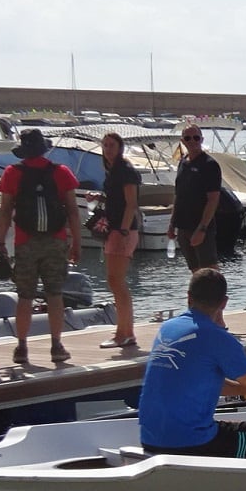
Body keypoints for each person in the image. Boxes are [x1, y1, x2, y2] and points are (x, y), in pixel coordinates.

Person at [138, 268, 246, 461]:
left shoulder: (167, 329)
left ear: (188, 297)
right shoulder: (219, 339)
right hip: (192, 443)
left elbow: (207, 381)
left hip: (150, 439)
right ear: (224, 302)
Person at [0, 127, 81, 364]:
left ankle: (21, 347)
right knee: (54, 294)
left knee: (25, 296)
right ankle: (56, 346)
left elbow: (4, 212)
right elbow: (73, 212)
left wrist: (0, 243)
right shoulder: (61, 172)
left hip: (25, 241)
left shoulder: (12, 172)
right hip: (56, 241)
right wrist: (77, 243)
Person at [98, 131, 141, 349]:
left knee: (117, 281)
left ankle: (124, 333)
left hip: (122, 230)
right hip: (113, 228)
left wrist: (123, 231)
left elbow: (131, 203)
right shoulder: (112, 171)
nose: (108, 149)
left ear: (120, 147)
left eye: (112, 145)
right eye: (105, 145)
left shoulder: (125, 170)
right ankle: (124, 331)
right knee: (114, 281)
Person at [168, 122, 223, 270]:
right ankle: (201, 294)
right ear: (182, 141)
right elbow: (178, 194)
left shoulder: (209, 165)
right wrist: (172, 223)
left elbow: (213, 200)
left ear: (202, 140)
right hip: (183, 226)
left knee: (210, 270)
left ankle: (218, 293)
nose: (192, 141)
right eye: (187, 138)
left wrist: (202, 228)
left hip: (200, 227)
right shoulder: (182, 162)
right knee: (195, 270)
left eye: (196, 138)